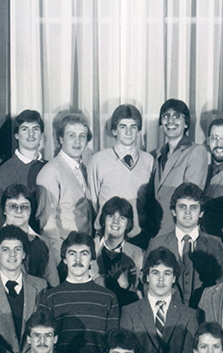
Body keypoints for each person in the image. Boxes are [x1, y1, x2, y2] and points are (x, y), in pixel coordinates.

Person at [39, 232, 122, 353]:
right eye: (72, 254)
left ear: (92, 258)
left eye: (84, 253)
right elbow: (45, 342)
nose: (78, 259)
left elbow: (112, 342)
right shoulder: (51, 297)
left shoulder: (108, 298)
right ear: (64, 258)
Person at [120, 247, 199, 353]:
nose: (161, 279)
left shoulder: (189, 315)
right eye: (155, 273)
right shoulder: (129, 312)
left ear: (174, 278)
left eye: (167, 273)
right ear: (147, 277)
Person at [145, 183, 223, 306]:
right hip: (168, 316)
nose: (187, 212)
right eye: (182, 207)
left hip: (204, 315)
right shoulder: (156, 243)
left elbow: (221, 285)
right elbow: (147, 285)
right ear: (173, 211)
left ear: (201, 212)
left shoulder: (215, 244)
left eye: (193, 207)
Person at [86, 104, 153, 239]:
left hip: (140, 236)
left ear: (139, 131)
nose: (128, 132)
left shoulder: (149, 160)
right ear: (114, 131)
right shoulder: (98, 160)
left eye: (133, 127)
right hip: (108, 234)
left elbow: (150, 202)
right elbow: (92, 202)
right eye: (123, 127)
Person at [36, 112, 95, 248]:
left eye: (82, 136)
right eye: (71, 135)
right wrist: (58, 259)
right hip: (65, 255)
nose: (77, 141)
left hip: (83, 252)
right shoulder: (50, 171)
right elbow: (47, 225)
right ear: (61, 139)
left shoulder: (83, 169)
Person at [151, 99, 209, 236]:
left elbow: (191, 197)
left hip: (178, 231)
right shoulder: (156, 154)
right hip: (155, 231)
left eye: (177, 116)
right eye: (166, 116)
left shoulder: (196, 151)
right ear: (161, 124)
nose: (170, 121)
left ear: (186, 123)